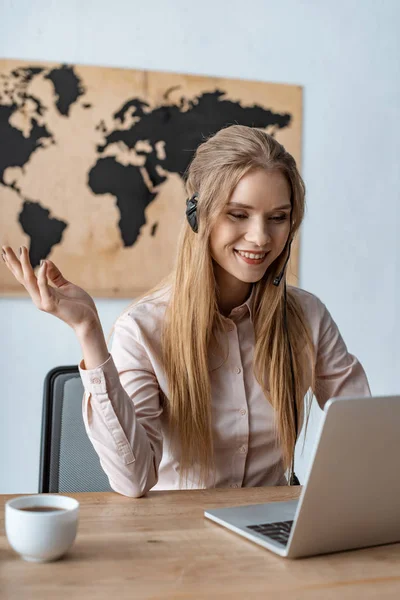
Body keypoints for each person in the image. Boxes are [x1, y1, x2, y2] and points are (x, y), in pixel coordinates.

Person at [2, 125, 370, 498]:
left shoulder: (307, 317)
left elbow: (366, 429)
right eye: (238, 214)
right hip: (177, 536)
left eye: (277, 218)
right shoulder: (143, 329)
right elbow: (134, 480)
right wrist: (88, 330)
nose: (260, 237)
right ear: (198, 216)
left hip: (273, 534)